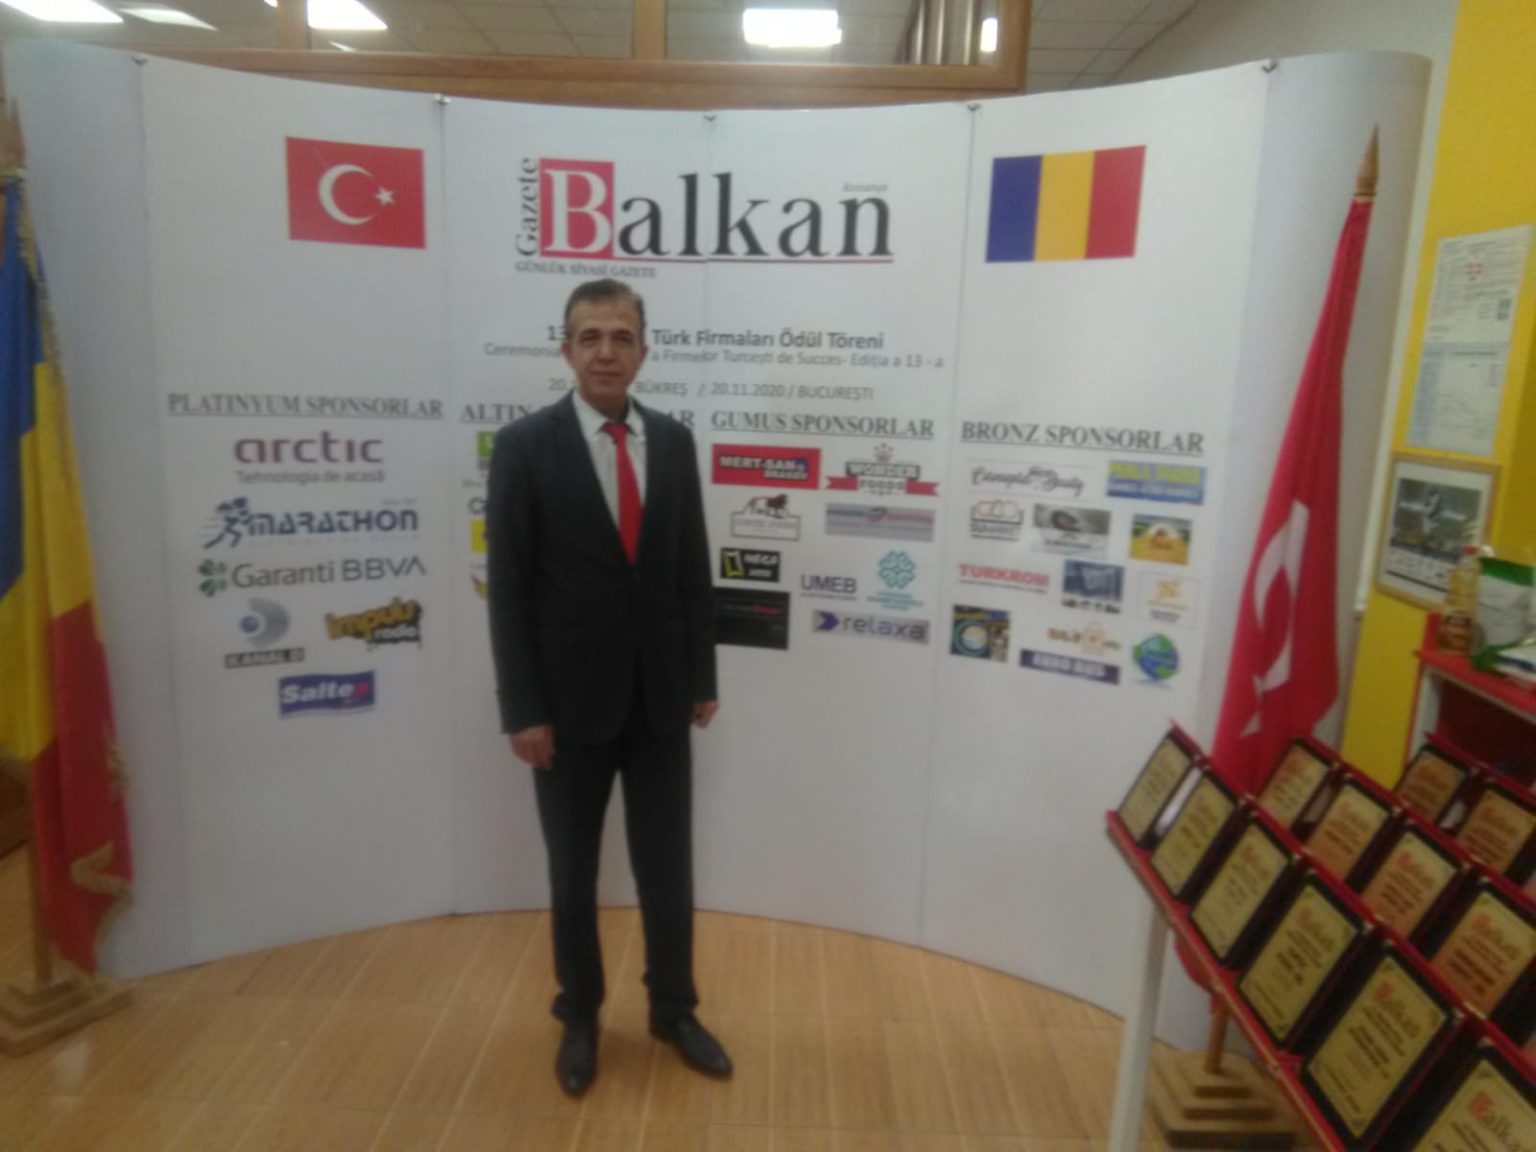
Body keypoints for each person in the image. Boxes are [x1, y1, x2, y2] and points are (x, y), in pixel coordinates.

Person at [485, 279, 730, 1097]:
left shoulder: (676, 441)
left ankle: (674, 1010)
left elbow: (691, 569)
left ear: (643, 351)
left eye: (621, 337)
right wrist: (524, 709)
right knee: (572, 874)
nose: (605, 352)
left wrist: (700, 675)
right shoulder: (524, 446)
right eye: (590, 337)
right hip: (565, 710)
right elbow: (509, 590)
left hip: (661, 699)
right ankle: (581, 1016)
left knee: (668, 868)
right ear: (566, 349)